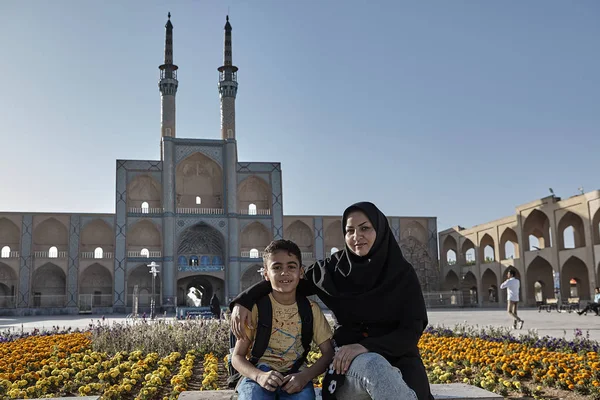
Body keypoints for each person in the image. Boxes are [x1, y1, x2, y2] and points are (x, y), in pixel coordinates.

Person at [230, 202, 433, 400]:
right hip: (350, 363)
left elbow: (412, 329)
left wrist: (367, 346)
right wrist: (244, 300)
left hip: (400, 357)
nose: (356, 236)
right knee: (373, 365)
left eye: (365, 228)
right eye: (350, 230)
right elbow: (287, 282)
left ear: (379, 230)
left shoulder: (402, 274)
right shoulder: (332, 270)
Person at [231, 239, 334, 400]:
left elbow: (328, 353)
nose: (284, 272)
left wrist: (305, 376)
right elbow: (237, 357)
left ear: (301, 272)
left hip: (296, 375)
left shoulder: (311, 309)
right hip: (260, 374)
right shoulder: (257, 308)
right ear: (266, 273)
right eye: (277, 267)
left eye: (291, 267)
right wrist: (259, 376)